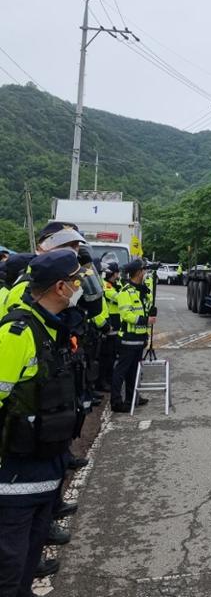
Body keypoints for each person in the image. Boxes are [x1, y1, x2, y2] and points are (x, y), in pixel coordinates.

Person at [0, 250, 86, 596]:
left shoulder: (54, 329)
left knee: (29, 557)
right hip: (14, 474)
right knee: (10, 562)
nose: (82, 285)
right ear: (61, 287)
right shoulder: (17, 334)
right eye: (77, 280)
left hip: (43, 468)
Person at [111, 259, 156, 413]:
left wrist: (151, 309)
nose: (145, 272)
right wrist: (146, 320)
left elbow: (145, 308)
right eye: (143, 270)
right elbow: (127, 315)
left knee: (134, 371)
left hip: (139, 339)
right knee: (121, 371)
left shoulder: (140, 291)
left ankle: (133, 398)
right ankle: (116, 402)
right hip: (127, 340)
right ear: (138, 272)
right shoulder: (126, 292)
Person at [98, 262, 121, 393]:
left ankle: (109, 379)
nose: (118, 275)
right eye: (116, 273)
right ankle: (103, 381)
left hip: (116, 322)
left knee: (112, 355)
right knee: (106, 356)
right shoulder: (106, 285)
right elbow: (117, 297)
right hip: (108, 322)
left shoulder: (116, 284)